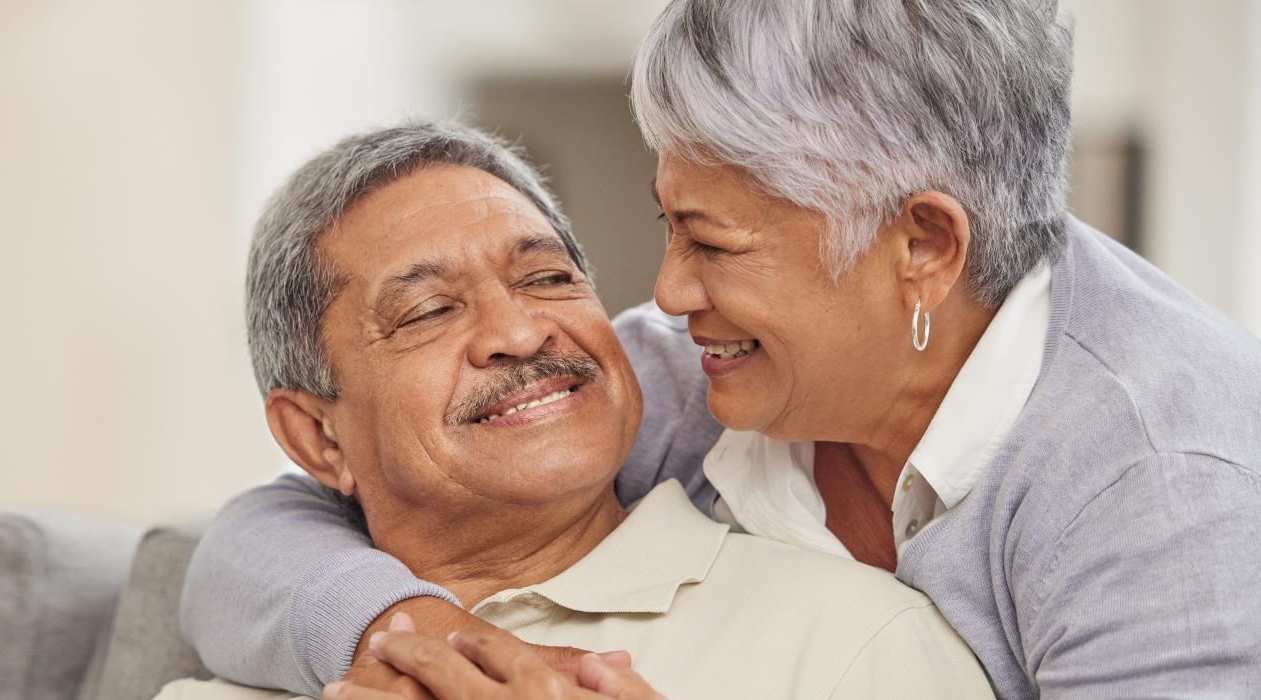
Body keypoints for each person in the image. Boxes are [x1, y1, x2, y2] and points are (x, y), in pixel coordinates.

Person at [180, 1, 1261, 698]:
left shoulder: (1164, 486)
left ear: (923, 243)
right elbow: (273, 522)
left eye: (713, 242)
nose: (665, 294)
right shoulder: (688, 380)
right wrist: (397, 624)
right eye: (667, 225)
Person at [161, 122, 990, 700]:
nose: (520, 332)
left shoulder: (854, 641)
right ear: (317, 436)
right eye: (428, 312)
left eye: (547, 277)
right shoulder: (232, 682)